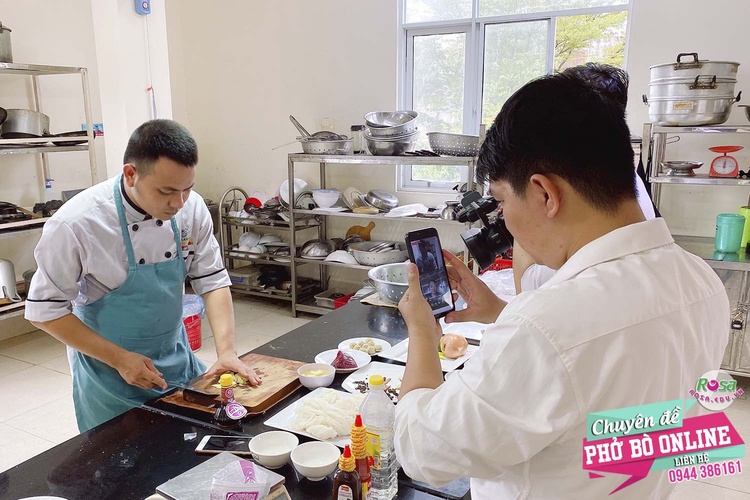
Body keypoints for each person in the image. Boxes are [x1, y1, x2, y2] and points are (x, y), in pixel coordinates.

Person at [394, 65, 729, 499]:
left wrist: (423, 330)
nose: (504, 221)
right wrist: (500, 311)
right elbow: (596, 371)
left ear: (545, 194)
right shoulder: (702, 280)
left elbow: (423, 451)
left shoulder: (547, 328)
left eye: (501, 201)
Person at [25, 119, 261, 433]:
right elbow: (44, 312)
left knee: (188, 446)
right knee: (119, 456)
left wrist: (227, 351)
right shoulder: (78, 224)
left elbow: (212, 279)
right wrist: (120, 359)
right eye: (166, 191)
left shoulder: (190, 209)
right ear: (131, 174)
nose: (178, 203)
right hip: (108, 373)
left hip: (175, 358)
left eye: (187, 189)